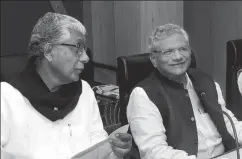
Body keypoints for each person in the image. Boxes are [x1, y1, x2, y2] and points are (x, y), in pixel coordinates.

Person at [1, 12, 132, 159]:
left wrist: (114, 152)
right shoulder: (6, 98)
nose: (86, 58)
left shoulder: (84, 91)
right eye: (78, 48)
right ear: (49, 51)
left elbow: (98, 150)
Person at [126, 23, 242, 159]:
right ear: (153, 59)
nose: (178, 57)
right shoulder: (143, 95)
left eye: (183, 49)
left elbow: (228, 123)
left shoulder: (204, 80)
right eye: (168, 52)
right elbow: (154, 151)